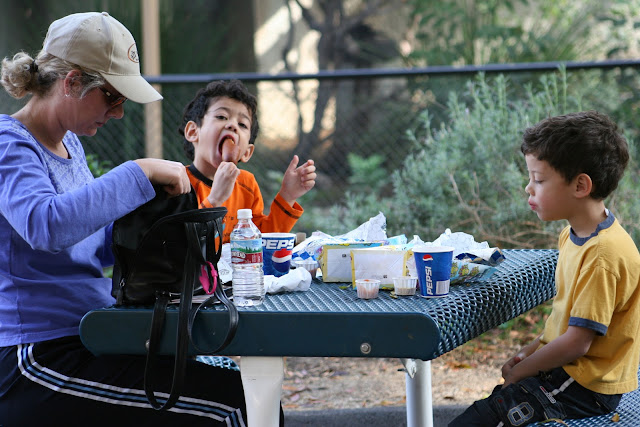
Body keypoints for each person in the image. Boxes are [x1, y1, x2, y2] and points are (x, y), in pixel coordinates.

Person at [0, 12, 250, 425]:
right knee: (234, 404)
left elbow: (95, 245)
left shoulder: (69, 146)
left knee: (236, 382)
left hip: (91, 332)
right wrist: (139, 171)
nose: (117, 113)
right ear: (72, 82)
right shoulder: (9, 144)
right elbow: (46, 227)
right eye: (113, 97)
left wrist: (160, 227)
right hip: (35, 356)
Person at [450, 110, 640, 426]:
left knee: (484, 418)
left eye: (538, 179)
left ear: (580, 185)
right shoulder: (572, 235)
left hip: (586, 386)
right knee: (492, 408)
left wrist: (524, 371)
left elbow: (578, 342)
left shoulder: (602, 256)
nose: (529, 188)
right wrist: (530, 352)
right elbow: (564, 323)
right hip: (569, 373)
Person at [178, 79, 317, 243]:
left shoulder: (246, 184)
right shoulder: (179, 183)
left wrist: (288, 196)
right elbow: (181, 244)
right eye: (222, 116)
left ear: (247, 152)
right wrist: (214, 200)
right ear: (193, 132)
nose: (232, 125)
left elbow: (261, 240)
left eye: (242, 124)